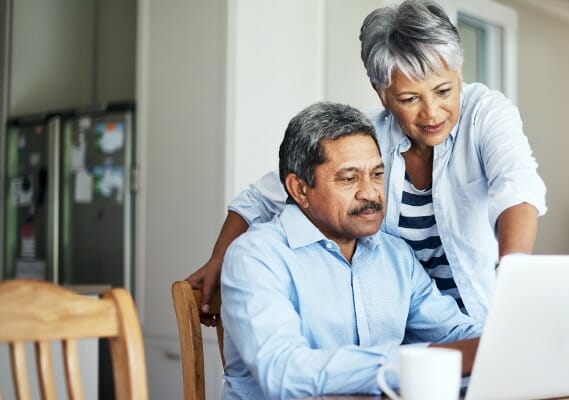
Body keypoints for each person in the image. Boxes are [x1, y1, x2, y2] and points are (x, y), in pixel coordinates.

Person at [189, 0, 547, 324]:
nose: (432, 112)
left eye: (444, 91)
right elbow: (258, 199)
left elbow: (516, 188)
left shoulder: (486, 113)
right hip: (392, 325)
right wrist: (219, 263)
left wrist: (513, 276)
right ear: (382, 93)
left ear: (459, 70)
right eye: (409, 98)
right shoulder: (367, 139)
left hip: (476, 317)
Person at [221, 102, 480, 400]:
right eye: (349, 178)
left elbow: (453, 332)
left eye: (377, 174)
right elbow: (284, 373)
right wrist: (430, 358)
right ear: (300, 189)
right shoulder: (255, 257)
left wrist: (505, 339)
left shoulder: (395, 255)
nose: (370, 193)